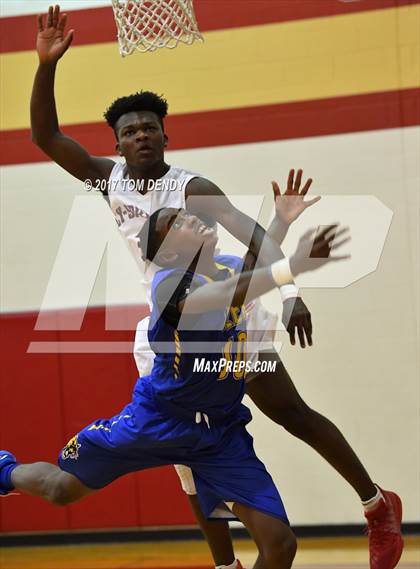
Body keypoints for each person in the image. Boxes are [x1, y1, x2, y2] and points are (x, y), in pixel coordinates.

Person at [25, 6, 403, 569]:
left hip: (221, 312)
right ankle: (223, 560)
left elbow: (254, 236)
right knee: (182, 453)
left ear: (165, 135)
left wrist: (293, 293)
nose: (140, 136)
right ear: (120, 144)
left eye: (150, 127)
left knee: (288, 411)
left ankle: (376, 507)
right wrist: (46, 66)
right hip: (168, 323)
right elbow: (46, 135)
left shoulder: (194, 187)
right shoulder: (108, 180)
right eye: (129, 131)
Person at [0, 208, 350, 569]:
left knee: (280, 545)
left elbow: (248, 272)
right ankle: (5, 471)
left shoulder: (228, 266)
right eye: (178, 223)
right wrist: (293, 265)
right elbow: (224, 294)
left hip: (220, 432)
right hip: (159, 421)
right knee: (61, 490)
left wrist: (281, 221)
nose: (193, 217)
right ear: (168, 253)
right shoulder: (169, 284)